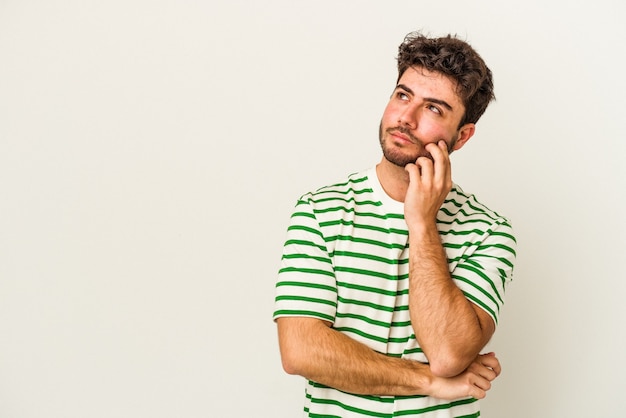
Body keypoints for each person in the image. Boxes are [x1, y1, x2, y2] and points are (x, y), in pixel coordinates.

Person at [273, 31, 517, 417]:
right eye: (403, 96)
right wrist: (430, 382)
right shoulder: (320, 210)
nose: (406, 117)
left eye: (434, 109)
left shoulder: (487, 231)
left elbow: (448, 354)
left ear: (463, 136)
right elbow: (302, 350)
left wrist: (421, 224)